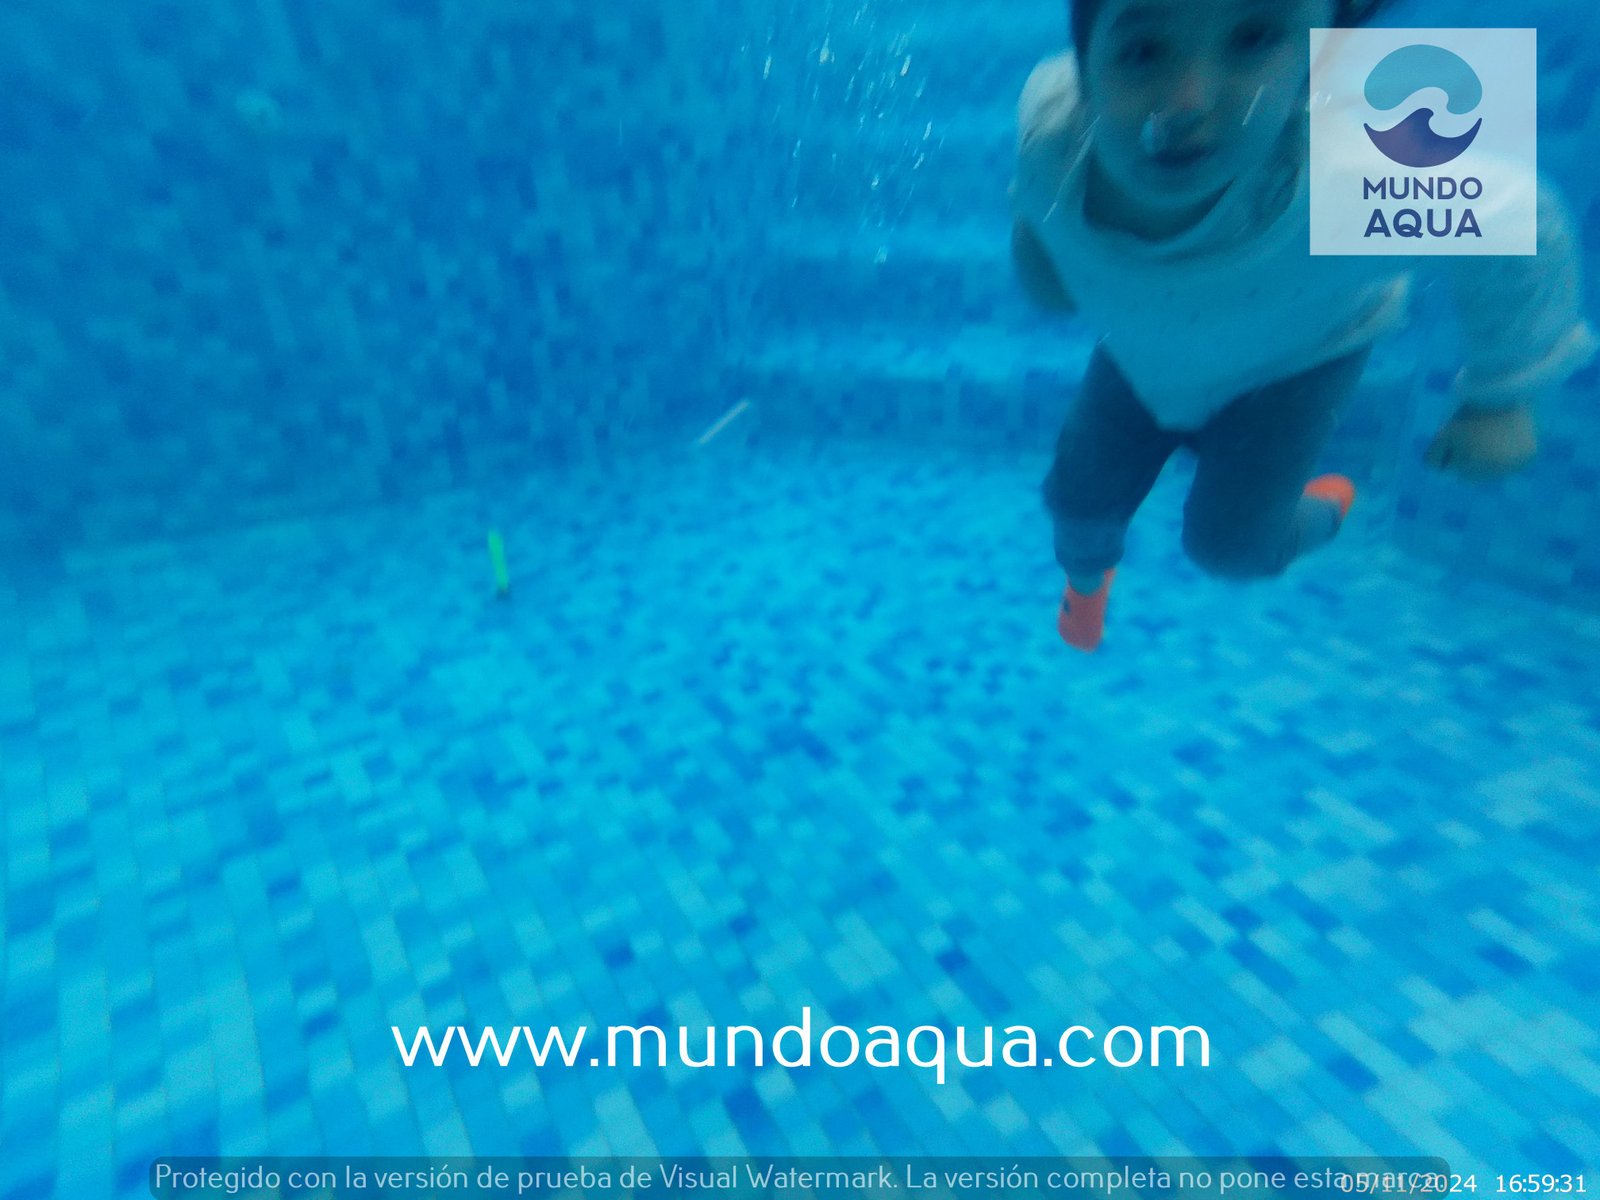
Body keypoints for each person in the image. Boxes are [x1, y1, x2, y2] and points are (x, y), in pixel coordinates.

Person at [1010, 0, 1598, 651]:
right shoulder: (1051, 133)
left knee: (1232, 549)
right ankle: (1086, 589)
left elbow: (1521, 221)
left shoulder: (1340, 184)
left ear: (1315, 67)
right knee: (1075, 504)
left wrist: (1500, 398)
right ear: (1086, 74)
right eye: (1144, 50)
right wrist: (1044, 258)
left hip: (1296, 359)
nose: (1189, 101)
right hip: (1149, 354)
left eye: (1255, 37)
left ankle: (1323, 508)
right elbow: (1037, 209)